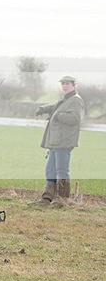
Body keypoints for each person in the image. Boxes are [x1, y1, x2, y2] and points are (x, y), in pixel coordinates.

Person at [32, 75, 85, 203]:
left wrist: (57, 116)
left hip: (64, 141)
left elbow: (76, 118)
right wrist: (42, 109)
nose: (65, 86)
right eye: (63, 84)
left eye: (67, 84)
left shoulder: (76, 100)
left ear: (74, 85)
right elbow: (55, 106)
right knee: (50, 169)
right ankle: (47, 198)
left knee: (62, 170)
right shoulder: (66, 99)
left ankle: (62, 200)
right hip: (56, 141)